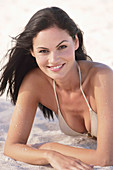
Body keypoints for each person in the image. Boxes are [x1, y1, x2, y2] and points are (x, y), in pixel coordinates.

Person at [0, 6, 113, 169]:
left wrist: (51, 147)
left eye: (62, 47)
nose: (54, 59)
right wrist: (49, 155)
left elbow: (106, 158)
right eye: (43, 51)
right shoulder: (35, 82)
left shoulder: (101, 78)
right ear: (32, 51)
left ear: (75, 42)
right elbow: (12, 147)